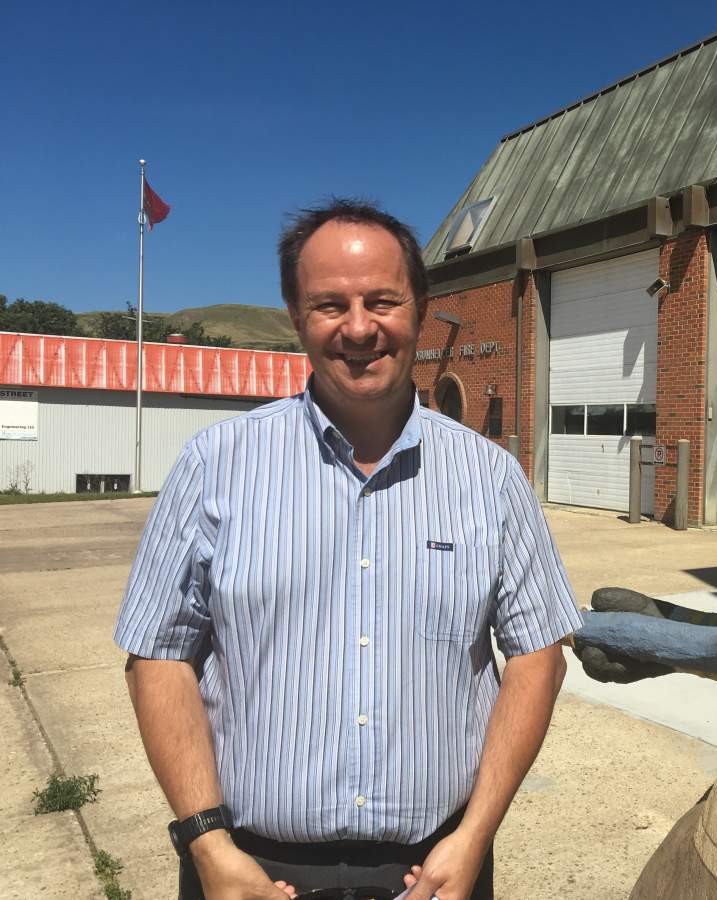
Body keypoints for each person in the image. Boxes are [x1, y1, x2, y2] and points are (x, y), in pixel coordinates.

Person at [115, 199, 582, 900]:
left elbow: (538, 657)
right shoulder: (215, 466)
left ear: (421, 309)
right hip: (248, 873)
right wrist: (207, 845)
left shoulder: (490, 477)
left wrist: (476, 835)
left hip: (436, 869)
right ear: (296, 317)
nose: (359, 328)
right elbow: (157, 656)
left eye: (382, 301)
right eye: (330, 304)